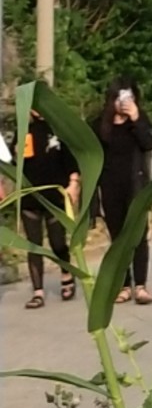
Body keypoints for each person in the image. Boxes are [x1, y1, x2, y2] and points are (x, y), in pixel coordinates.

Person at [94, 80, 152, 305]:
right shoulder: (100, 124)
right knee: (118, 237)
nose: (124, 103)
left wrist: (136, 118)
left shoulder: (139, 120)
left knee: (138, 235)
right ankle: (123, 285)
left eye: (129, 98)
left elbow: (149, 143)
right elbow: (91, 154)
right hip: (110, 186)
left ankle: (140, 286)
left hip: (136, 186)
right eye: (120, 98)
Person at [19, 112, 79, 307]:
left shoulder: (60, 131)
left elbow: (72, 161)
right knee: (33, 245)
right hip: (30, 197)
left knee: (58, 243)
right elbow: (10, 161)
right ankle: (38, 292)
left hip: (55, 197)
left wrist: (73, 183)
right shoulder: (22, 130)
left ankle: (66, 273)